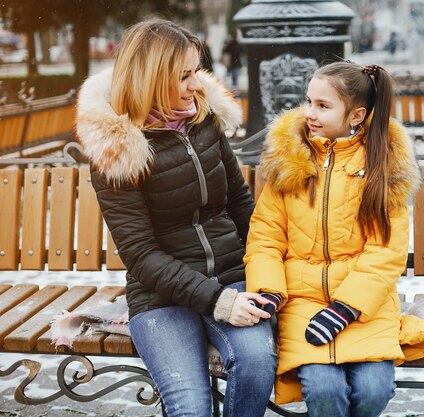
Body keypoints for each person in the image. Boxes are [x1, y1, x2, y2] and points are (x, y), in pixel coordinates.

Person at [75, 19, 276, 417]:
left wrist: (267, 270)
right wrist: (216, 300)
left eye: (196, 72)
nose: (196, 85)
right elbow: (141, 255)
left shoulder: (205, 121)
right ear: (152, 78)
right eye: (184, 75)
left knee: (256, 363)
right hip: (161, 296)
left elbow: (239, 204)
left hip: (232, 276)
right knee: (191, 406)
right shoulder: (118, 149)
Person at [243, 61, 424, 416]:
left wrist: (345, 308)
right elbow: (265, 237)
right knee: (324, 391)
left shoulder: (380, 165)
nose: (309, 113)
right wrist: (270, 290)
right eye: (308, 101)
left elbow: (385, 251)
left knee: (374, 391)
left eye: (323, 106)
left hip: (363, 307)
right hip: (303, 302)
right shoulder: (290, 159)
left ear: (356, 115)